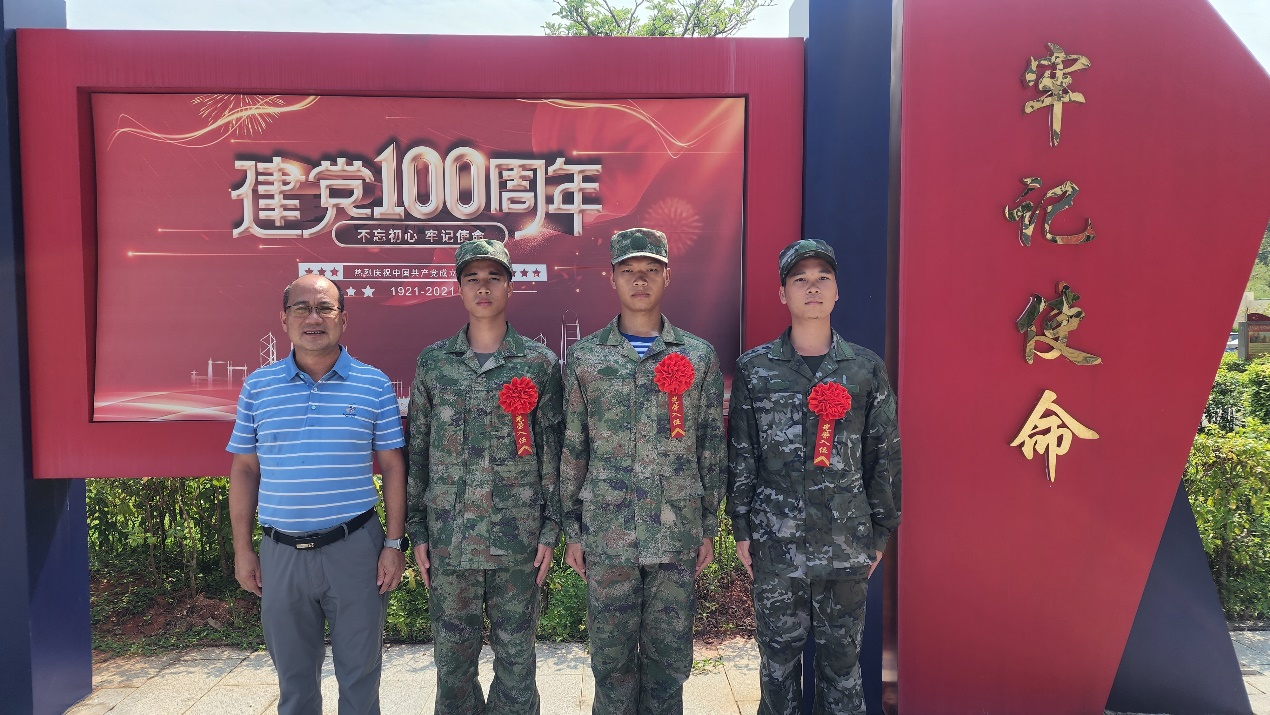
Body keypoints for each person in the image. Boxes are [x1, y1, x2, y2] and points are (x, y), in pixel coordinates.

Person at [726, 238, 902, 715]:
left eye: (823, 278)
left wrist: (881, 534)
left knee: (842, 670)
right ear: (782, 293)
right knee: (777, 668)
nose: (812, 288)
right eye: (799, 279)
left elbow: (883, 455)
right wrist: (741, 529)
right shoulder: (755, 369)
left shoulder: (864, 369)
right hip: (775, 544)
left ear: (837, 291)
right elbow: (742, 455)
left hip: (847, 543)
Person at [560, 227, 726, 715]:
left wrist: (708, 526)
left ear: (667, 276)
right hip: (608, 535)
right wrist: (573, 530)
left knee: (669, 664)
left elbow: (710, 448)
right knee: (610, 664)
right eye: (629, 270)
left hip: (675, 534)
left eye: (651, 269)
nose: (640, 279)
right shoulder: (587, 357)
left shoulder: (696, 356)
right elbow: (574, 448)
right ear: (611, 278)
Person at [228, 273, 408, 715]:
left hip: (356, 550)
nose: (314, 318)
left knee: (360, 677)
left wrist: (393, 545)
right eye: (302, 308)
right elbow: (245, 469)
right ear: (284, 319)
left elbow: (392, 467)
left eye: (325, 308)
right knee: (293, 683)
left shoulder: (373, 385)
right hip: (280, 555)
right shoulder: (258, 387)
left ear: (343, 318)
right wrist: (243, 550)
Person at [406, 239, 564, 715]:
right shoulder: (435, 362)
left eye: (494, 277)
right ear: (459, 289)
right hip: (450, 542)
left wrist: (551, 530)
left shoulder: (538, 364)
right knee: (453, 666)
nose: (483, 287)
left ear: (510, 287)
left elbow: (553, 456)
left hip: (517, 542)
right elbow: (419, 453)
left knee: (517, 663)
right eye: (472, 278)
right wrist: (417, 530)